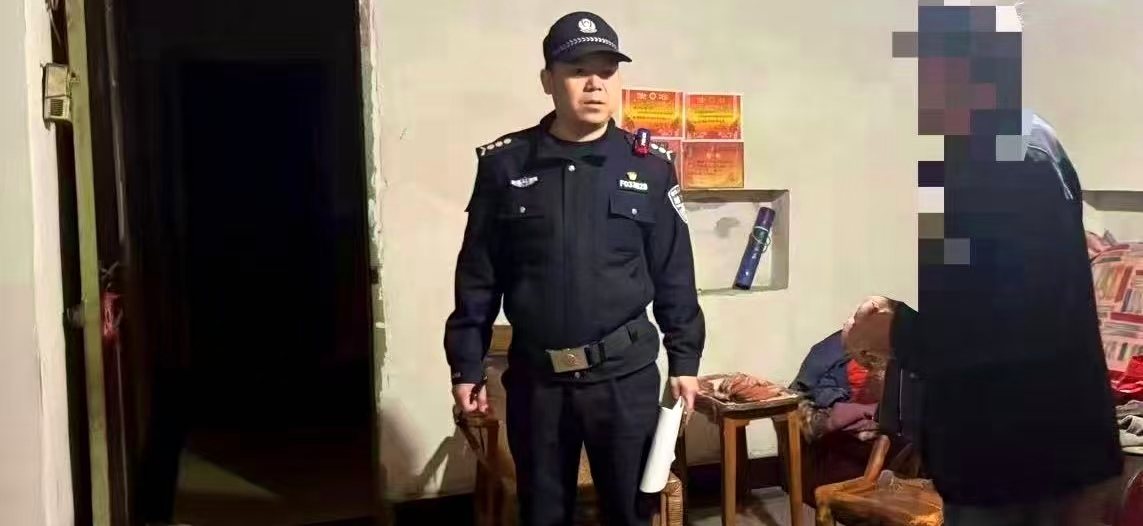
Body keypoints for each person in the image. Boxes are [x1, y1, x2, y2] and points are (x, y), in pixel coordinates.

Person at [844, 3, 1123, 525]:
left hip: (1030, 468)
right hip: (996, 457)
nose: (922, 80)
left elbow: (1020, 327)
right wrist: (898, 310)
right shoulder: (970, 153)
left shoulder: (1015, 158)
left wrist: (897, 331)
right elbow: (969, 293)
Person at [442, 11, 705, 526]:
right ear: (548, 80)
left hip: (625, 379)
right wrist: (466, 363)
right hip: (538, 383)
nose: (595, 84)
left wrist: (685, 358)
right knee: (542, 514)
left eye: (606, 71)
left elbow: (675, 270)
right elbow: (478, 274)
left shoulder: (649, 167)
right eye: (578, 70)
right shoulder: (506, 164)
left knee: (630, 512)